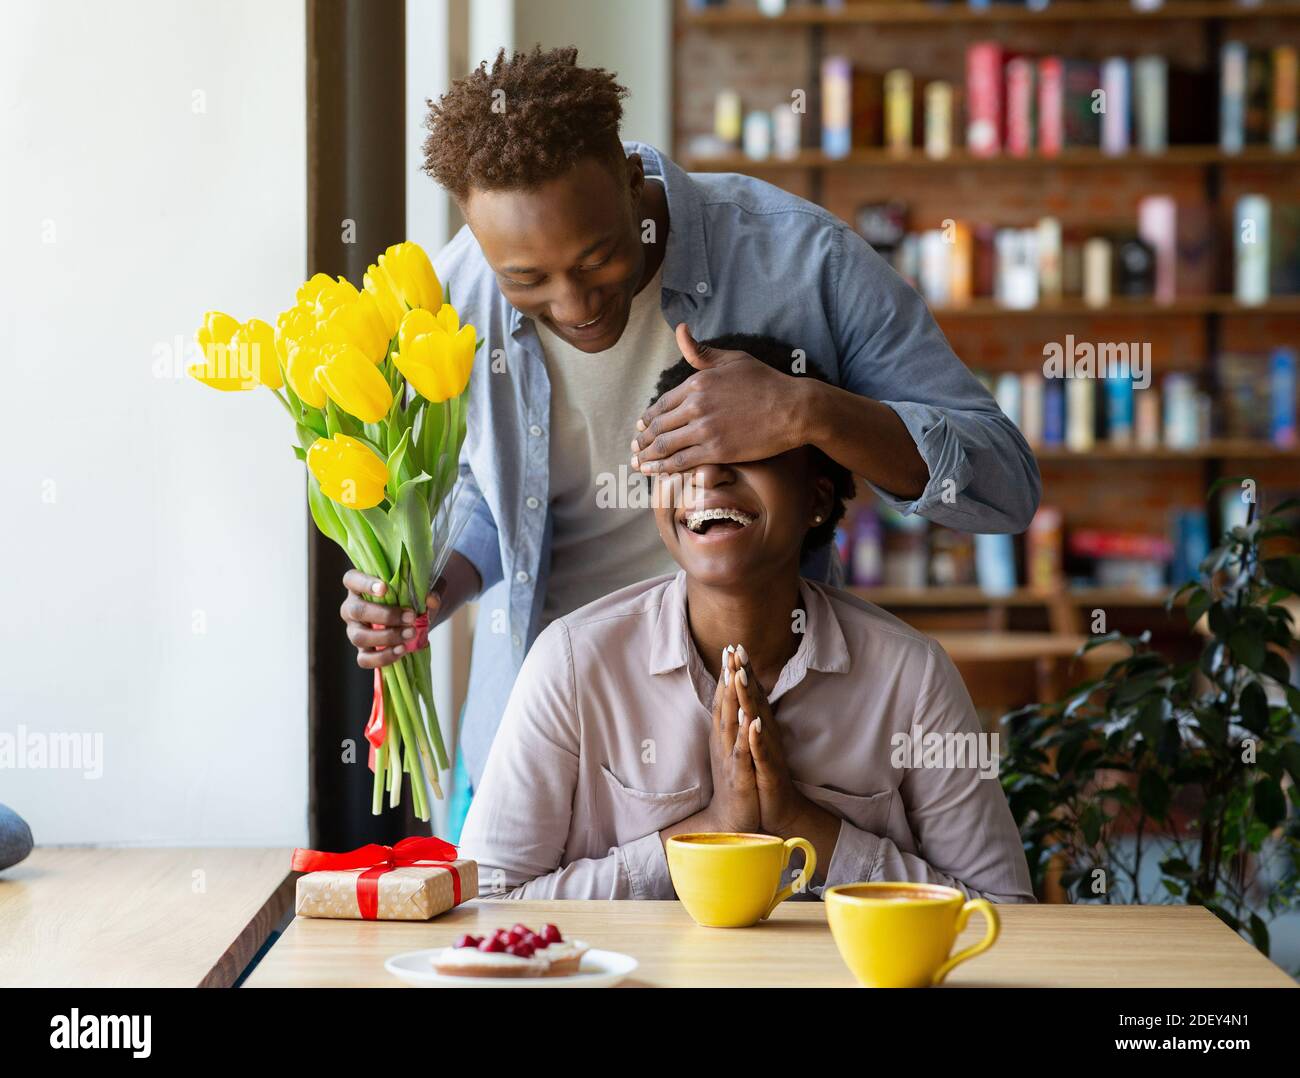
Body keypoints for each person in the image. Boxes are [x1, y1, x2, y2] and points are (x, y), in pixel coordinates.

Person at [338, 46, 1041, 819]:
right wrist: (433, 586)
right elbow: (490, 490)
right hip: (542, 753)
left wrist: (808, 409)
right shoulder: (458, 291)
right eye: (528, 282)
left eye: (598, 257)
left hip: (774, 751)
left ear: (632, 179)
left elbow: (1003, 487)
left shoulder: (804, 261)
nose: (573, 306)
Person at [456, 335, 1034, 903]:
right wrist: (709, 831)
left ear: (817, 497)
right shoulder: (574, 663)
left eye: (746, 448)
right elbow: (487, 903)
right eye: (682, 453)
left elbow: (1005, 914)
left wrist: (801, 822)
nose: (707, 477)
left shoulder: (910, 676)